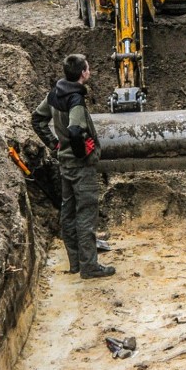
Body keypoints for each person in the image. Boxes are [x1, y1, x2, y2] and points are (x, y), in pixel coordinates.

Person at [31, 53, 115, 279]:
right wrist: (81, 152)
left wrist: (55, 144)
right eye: (88, 68)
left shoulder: (55, 93)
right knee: (86, 214)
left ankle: (76, 263)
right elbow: (76, 130)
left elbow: (37, 120)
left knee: (67, 213)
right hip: (79, 166)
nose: (90, 71)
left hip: (65, 164)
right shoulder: (75, 100)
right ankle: (90, 267)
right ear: (83, 73)